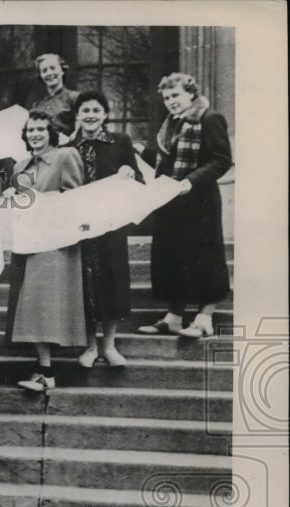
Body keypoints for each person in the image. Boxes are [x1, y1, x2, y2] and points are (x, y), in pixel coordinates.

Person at [137, 72, 232, 339]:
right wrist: (141, 149)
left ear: (191, 93)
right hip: (171, 200)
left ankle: (204, 319)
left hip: (200, 202)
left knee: (206, 259)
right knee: (173, 258)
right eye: (167, 97)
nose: (171, 101)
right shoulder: (170, 124)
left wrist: (190, 182)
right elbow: (166, 160)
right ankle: (174, 318)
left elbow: (221, 160)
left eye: (176, 95)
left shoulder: (210, 119)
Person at [5, 111, 87, 392]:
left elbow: (75, 198)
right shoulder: (20, 166)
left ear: (51, 133)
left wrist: (37, 200)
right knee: (33, 306)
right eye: (30, 130)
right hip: (28, 242)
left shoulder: (66, 155)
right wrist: (12, 199)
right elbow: (21, 207)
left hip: (55, 242)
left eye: (41, 129)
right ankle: (44, 369)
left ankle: (46, 371)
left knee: (44, 304)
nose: (35, 134)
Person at [65, 90, 144, 367]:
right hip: (79, 227)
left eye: (96, 110)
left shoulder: (120, 142)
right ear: (77, 115)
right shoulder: (67, 147)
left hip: (111, 226)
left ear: (105, 115)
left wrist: (129, 174)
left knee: (112, 282)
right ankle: (89, 347)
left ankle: (109, 346)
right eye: (85, 110)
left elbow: (139, 181)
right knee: (84, 285)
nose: (91, 115)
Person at [31, 54, 79, 137]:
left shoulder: (74, 97)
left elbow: (79, 130)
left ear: (62, 70)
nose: (49, 73)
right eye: (44, 70)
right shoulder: (37, 105)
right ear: (40, 76)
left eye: (53, 68)